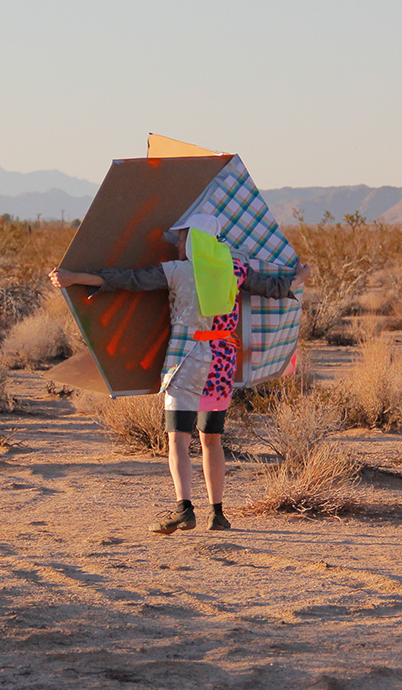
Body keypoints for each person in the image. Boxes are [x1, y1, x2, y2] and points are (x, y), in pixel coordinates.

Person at [50, 213, 310, 535]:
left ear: (194, 239)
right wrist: (301, 276)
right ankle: (218, 514)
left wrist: (75, 277)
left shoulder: (175, 271)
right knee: (211, 440)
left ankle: (184, 510)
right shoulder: (235, 269)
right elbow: (277, 288)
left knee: (178, 439)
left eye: (182, 237)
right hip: (221, 363)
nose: (176, 244)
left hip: (186, 361)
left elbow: (128, 280)